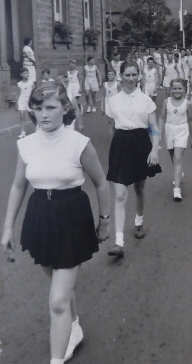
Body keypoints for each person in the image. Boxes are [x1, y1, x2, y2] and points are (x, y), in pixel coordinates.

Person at [1, 81, 110, 364]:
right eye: (37, 109)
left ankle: (55, 359)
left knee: (58, 300)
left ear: (65, 108)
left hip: (72, 216)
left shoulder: (79, 143)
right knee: (59, 287)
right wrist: (7, 228)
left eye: (50, 107)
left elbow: (100, 183)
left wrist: (104, 221)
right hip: (40, 217)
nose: (43, 114)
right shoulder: (26, 145)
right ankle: (73, 328)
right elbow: (17, 186)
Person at [106, 61, 161, 257]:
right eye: (127, 75)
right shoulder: (113, 101)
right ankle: (118, 242)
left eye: (134, 75)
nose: (130, 79)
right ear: (120, 76)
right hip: (121, 145)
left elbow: (154, 127)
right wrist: (115, 147)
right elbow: (112, 126)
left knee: (139, 187)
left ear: (139, 76)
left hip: (140, 144)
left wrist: (154, 150)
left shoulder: (146, 100)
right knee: (120, 194)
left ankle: (138, 221)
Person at [158, 78, 192, 201]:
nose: (177, 91)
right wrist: (158, 134)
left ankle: (177, 189)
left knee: (177, 158)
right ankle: (179, 173)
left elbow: (191, 120)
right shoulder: (166, 102)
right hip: (169, 130)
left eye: (180, 88)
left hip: (182, 130)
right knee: (172, 156)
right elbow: (162, 118)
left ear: (185, 89)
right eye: (174, 88)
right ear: (170, 89)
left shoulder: (187, 103)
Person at [16, 67, 35, 139]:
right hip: (22, 101)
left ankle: (38, 128)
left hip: (29, 100)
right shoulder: (19, 84)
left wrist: (33, 101)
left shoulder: (31, 82)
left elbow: (34, 92)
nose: (27, 75)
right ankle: (22, 132)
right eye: (25, 73)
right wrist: (16, 104)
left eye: (28, 73)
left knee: (32, 116)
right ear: (21, 75)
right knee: (22, 116)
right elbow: (17, 94)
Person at [101, 68, 121, 135]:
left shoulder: (117, 84)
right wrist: (102, 106)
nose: (110, 76)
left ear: (115, 75)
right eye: (109, 74)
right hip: (108, 104)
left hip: (116, 104)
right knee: (109, 121)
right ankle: (115, 131)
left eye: (112, 74)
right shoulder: (105, 84)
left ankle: (113, 139)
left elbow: (121, 95)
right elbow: (103, 96)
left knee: (114, 123)